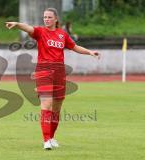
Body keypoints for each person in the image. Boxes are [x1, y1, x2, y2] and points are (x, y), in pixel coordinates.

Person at [5, 8, 100, 150]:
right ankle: (46, 141)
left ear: (56, 19)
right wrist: (17, 24)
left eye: (49, 17)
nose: (46, 19)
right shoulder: (40, 32)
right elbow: (29, 28)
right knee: (46, 104)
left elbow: (74, 47)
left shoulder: (62, 35)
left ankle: (51, 137)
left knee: (56, 108)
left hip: (59, 72)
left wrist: (90, 52)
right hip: (44, 70)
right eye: (45, 17)